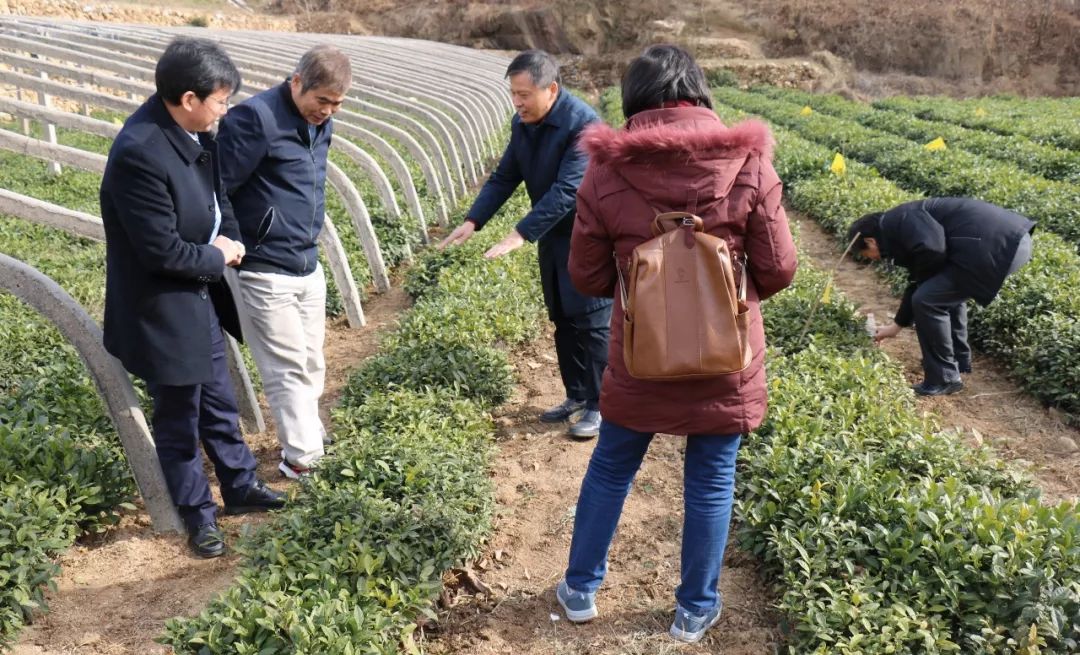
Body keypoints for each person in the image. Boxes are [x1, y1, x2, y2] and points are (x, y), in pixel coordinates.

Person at [560, 44, 797, 643]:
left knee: (612, 467)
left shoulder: (606, 170)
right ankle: (694, 608)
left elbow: (586, 277)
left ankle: (580, 588)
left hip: (643, 353)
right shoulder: (749, 162)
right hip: (727, 355)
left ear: (634, 100)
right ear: (699, 93)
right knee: (712, 478)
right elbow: (778, 269)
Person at [100, 37, 284, 559]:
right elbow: (161, 252)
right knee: (180, 418)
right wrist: (220, 256)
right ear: (187, 98)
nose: (226, 109)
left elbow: (218, 196)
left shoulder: (197, 132)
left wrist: (232, 236)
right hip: (162, 307)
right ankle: (198, 516)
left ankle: (241, 487)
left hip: (198, 297)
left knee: (220, 402)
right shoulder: (140, 153)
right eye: (221, 99)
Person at [438, 50, 612, 439]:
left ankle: (601, 406)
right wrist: (473, 220)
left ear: (551, 89)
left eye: (524, 94)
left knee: (592, 320)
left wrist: (520, 232)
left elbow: (569, 189)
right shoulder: (524, 124)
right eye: (513, 94)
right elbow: (504, 176)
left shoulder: (584, 125)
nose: (517, 103)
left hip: (589, 238)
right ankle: (576, 395)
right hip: (553, 237)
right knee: (563, 317)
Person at [216, 46, 351, 478]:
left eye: (336, 104)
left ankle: (307, 431)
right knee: (286, 367)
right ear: (296, 83)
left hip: (306, 262)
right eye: (321, 100)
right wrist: (236, 242)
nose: (327, 111)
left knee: (312, 360)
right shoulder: (255, 119)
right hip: (263, 265)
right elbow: (219, 188)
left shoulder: (320, 125)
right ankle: (302, 459)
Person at [847, 197, 1034, 396]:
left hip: (997, 245)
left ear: (870, 241)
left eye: (866, 254)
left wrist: (923, 289)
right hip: (1013, 241)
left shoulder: (898, 220)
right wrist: (897, 326)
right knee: (939, 294)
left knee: (928, 300)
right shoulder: (898, 225)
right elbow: (920, 278)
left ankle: (944, 378)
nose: (871, 259)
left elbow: (933, 249)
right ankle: (956, 362)